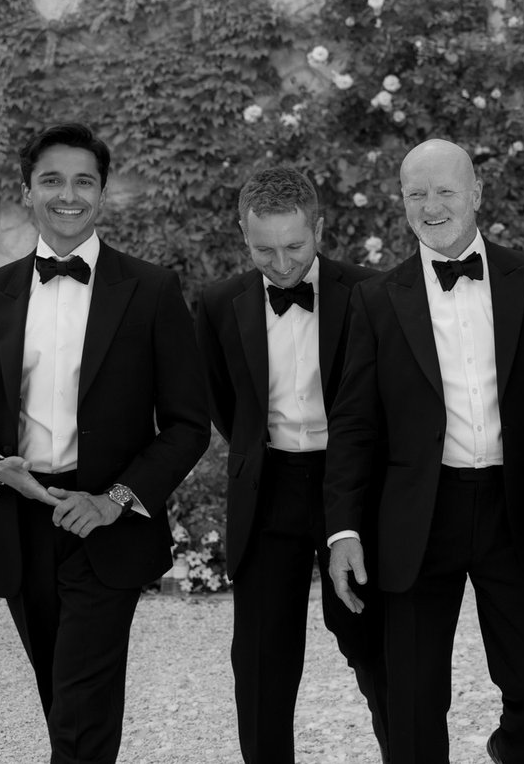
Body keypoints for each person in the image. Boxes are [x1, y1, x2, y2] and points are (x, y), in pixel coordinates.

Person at [0, 122, 211, 764]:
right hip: (15, 521)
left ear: (102, 194)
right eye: (51, 180)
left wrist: (114, 499)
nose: (67, 194)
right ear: (27, 192)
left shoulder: (152, 291)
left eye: (83, 181)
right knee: (64, 697)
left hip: (106, 523)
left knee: (82, 702)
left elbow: (187, 423)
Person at [324, 138, 524, 764]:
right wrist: (344, 528)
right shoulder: (376, 299)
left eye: (445, 192)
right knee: (410, 694)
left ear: (476, 195)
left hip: (515, 508)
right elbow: (354, 424)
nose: (431, 207)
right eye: (416, 194)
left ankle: (511, 750)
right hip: (417, 512)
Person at [195, 167, 387, 763]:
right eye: (263, 250)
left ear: (320, 229)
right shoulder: (219, 303)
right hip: (269, 490)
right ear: (243, 238)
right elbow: (224, 403)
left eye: (294, 247)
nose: (280, 265)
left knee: (377, 651)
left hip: (351, 490)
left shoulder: (372, 294)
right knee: (260, 665)